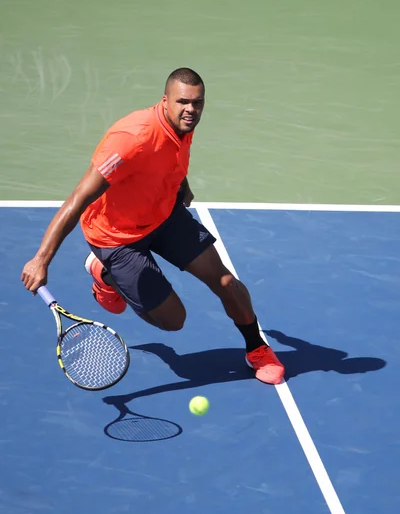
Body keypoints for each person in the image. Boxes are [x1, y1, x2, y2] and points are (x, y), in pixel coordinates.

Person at [21, 67, 285, 385]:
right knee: (174, 320)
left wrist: (180, 183)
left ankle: (256, 348)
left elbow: (169, 156)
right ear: (165, 101)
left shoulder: (184, 123)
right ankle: (105, 273)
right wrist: (41, 259)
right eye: (183, 102)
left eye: (198, 102)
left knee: (226, 282)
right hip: (116, 236)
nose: (191, 110)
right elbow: (78, 199)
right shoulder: (130, 140)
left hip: (162, 215)